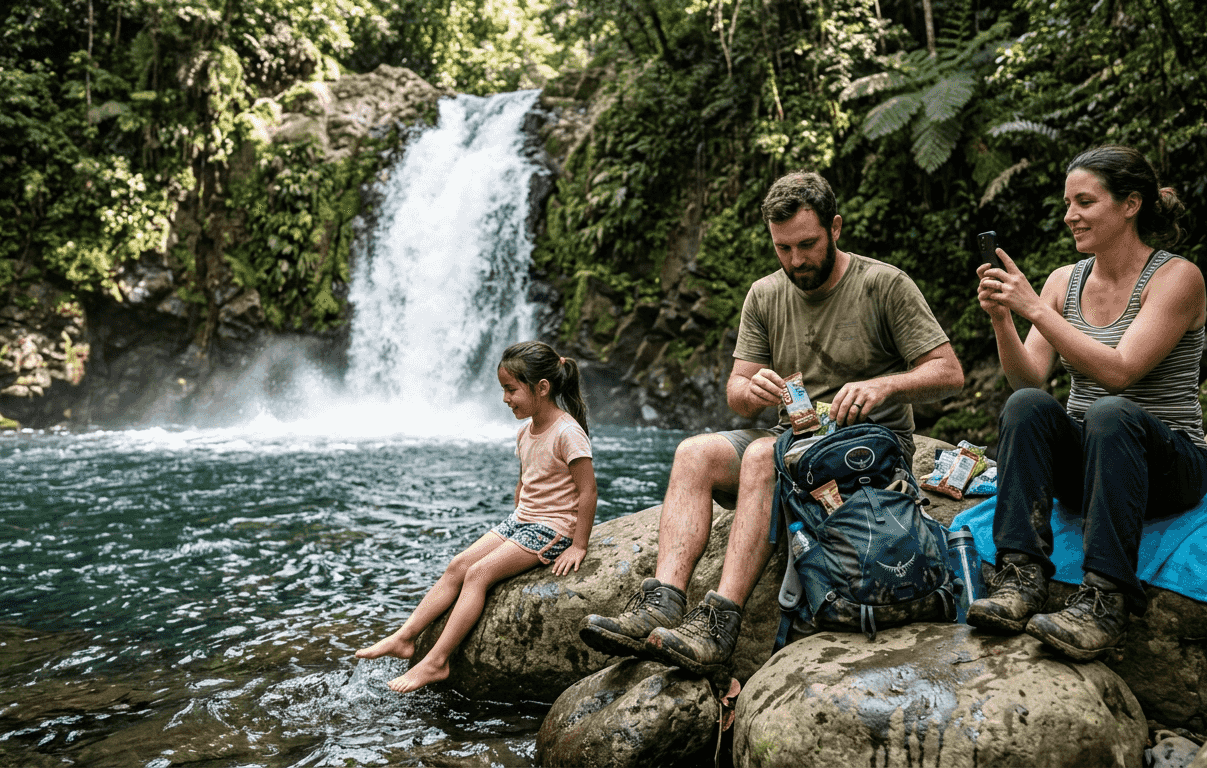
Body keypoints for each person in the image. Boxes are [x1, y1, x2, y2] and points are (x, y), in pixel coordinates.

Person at [580, 171, 964, 677]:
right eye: (783, 248)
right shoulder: (764, 295)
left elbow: (949, 373)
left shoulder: (884, 284)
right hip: (794, 438)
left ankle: (719, 624)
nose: (796, 261)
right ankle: (662, 600)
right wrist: (751, 390)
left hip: (870, 447)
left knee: (764, 455)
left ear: (836, 228)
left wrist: (885, 386)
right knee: (694, 452)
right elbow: (738, 395)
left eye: (807, 245)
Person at [965, 145, 1207, 662]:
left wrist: (1034, 306)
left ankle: (1104, 600)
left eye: (1084, 202)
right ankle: (1021, 577)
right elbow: (1026, 376)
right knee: (1028, 405)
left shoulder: (1177, 278)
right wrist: (1003, 319)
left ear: (1130, 205)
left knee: (1108, 410)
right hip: (1093, 471)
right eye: (1067, 203)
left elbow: (1120, 372)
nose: (1069, 216)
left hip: (1167, 466)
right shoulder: (1064, 281)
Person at [356, 341, 596, 692]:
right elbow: (527, 480)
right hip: (525, 519)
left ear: (542, 388)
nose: (505, 399)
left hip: (554, 527)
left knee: (479, 574)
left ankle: (436, 663)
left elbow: (587, 491)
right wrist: (514, 521)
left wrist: (578, 545)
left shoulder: (567, 431)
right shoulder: (526, 430)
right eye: (503, 389)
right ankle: (404, 637)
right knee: (458, 564)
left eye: (511, 390)